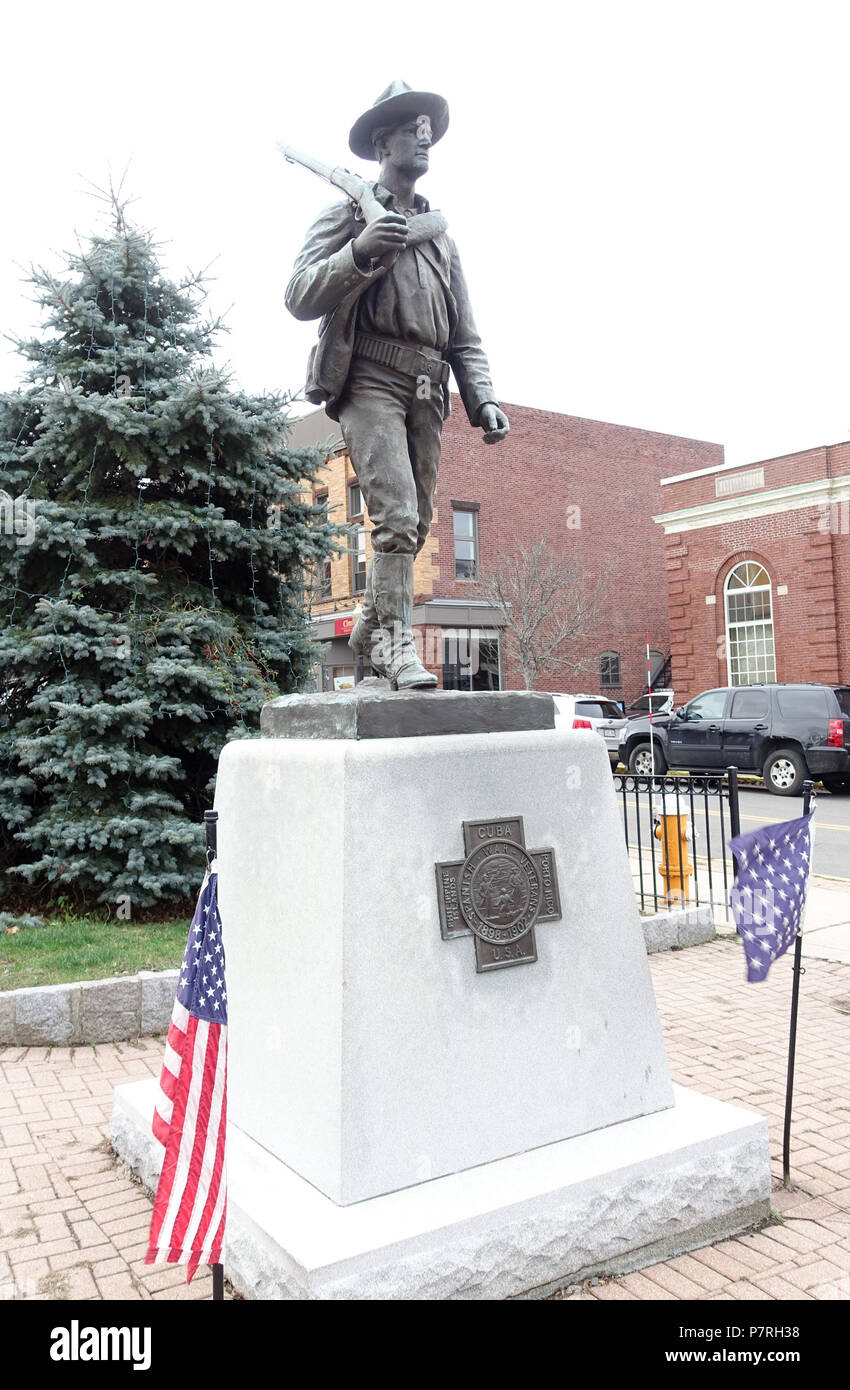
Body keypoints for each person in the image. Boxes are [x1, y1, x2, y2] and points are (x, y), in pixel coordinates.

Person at [286, 81, 509, 689]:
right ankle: (391, 641)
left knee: (417, 521)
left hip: (429, 391)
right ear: (381, 141)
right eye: (410, 126)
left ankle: (369, 623)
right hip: (370, 380)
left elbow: (464, 331)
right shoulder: (349, 215)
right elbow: (299, 295)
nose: (423, 134)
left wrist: (482, 396)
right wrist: (358, 253)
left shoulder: (439, 235)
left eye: (427, 126)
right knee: (396, 516)